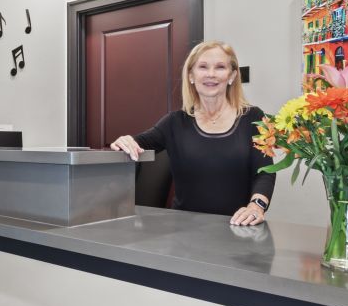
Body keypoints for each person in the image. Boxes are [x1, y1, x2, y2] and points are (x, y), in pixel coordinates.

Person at [110, 41, 275, 226]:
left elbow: (265, 172)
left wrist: (256, 206)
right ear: (191, 75)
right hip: (184, 229)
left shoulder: (254, 118)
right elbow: (139, 142)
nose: (211, 74)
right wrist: (125, 140)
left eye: (220, 67)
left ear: (232, 76)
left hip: (238, 226)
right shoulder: (174, 122)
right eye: (203, 67)